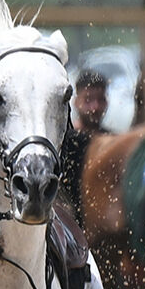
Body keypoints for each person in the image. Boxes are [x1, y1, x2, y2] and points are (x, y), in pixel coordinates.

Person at [58, 70, 111, 218]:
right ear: (76, 102)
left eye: (101, 100)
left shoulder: (110, 141)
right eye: (88, 100)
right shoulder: (66, 143)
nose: (95, 107)